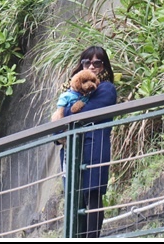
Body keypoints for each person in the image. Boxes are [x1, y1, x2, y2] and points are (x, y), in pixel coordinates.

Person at [58, 46, 117, 238]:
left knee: (92, 195)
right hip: (71, 151)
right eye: (87, 62)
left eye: (97, 62)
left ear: (103, 66)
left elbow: (83, 113)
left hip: (95, 146)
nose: (92, 66)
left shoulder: (106, 88)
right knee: (75, 199)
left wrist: (63, 114)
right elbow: (57, 130)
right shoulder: (72, 93)